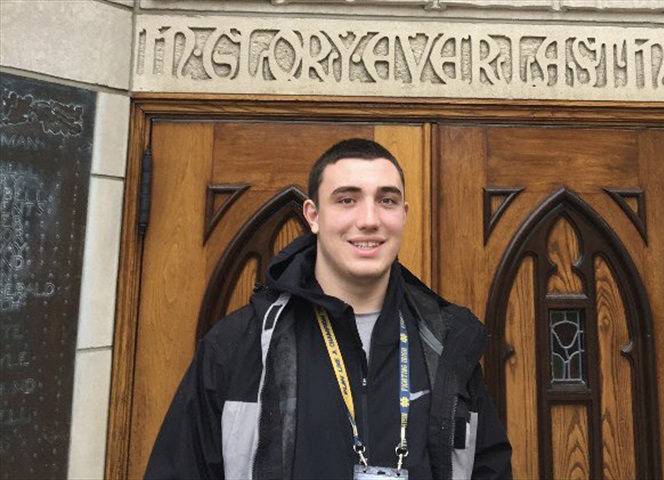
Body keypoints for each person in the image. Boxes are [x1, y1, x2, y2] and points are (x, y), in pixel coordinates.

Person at [145, 138, 512, 479]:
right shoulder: (238, 346)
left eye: (386, 200)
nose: (369, 220)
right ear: (313, 215)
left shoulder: (447, 345)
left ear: (403, 214)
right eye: (347, 200)